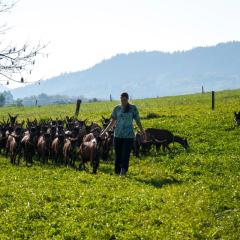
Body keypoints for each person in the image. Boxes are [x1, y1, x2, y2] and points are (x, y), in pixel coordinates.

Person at [100, 92, 145, 176]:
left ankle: (123, 171)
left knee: (126, 154)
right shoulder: (117, 108)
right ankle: (117, 172)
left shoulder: (133, 108)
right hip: (118, 135)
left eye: (124, 100)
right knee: (118, 154)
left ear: (127, 99)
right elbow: (112, 122)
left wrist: (142, 131)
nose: (122, 101)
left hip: (129, 136)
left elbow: (138, 121)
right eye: (121, 100)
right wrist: (104, 131)